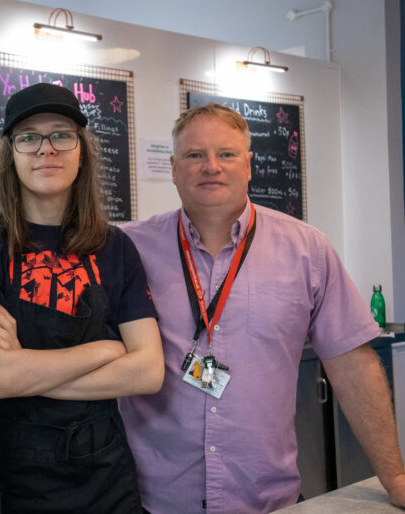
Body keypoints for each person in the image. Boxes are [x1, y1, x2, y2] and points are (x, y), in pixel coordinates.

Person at [118, 103, 405, 513]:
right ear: (173, 167)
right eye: (195, 155)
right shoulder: (128, 249)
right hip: (153, 501)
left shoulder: (308, 250)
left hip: (269, 502)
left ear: (249, 165)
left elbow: (353, 365)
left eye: (227, 154)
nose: (211, 166)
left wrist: (394, 476)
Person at [0, 82, 164, 513]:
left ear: (81, 150)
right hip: (18, 480)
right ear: (11, 153)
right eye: (29, 137)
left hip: (108, 479)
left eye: (61, 134)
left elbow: (148, 372)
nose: (47, 149)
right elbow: (1, 379)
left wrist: (29, 371)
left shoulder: (115, 246)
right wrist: (106, 349)